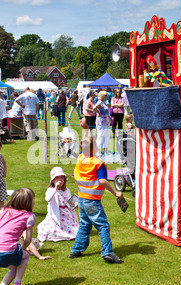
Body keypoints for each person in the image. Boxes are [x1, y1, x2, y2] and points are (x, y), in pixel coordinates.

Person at [70, 136, 124, 264]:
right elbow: (103, 181)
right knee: (103, 226)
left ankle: (76, 250)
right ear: (94, 148)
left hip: (82, 200)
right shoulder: (98, 163)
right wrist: (115, 192)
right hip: (92, 201)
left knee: (85, 225)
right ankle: (107, 252)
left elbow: (78, 169)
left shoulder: (80, 158)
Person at [0, 188, 36, 285]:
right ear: (28, 202)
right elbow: (28, 239)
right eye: (33, 199)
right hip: (7, 253)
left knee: (14, 266)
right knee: (25, 256)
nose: (34, 201)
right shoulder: (29, 216)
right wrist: (23, 249)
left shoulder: (5, 210)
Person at [37, 167, 79, 242]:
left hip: (66, 214)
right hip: (56, 214)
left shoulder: (66, 190)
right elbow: (48, 199)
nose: (59, 180)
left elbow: (69, 202)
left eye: (61, 178)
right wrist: (55, 188)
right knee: (54, 230)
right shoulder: (50, 190)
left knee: (76, 231)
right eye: (57, 178)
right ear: (53, 180)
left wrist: (75, 204)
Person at [93, 91, 112, 155]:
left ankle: (106, 150)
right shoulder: (100, 102)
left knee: (106, 136)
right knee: (100, 136)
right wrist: (99, 113)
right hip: (101, 122)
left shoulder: (104, 102)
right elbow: (94, 107)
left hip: (106, 122)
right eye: (105, 95)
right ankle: (98, 150)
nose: (107, 96)